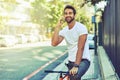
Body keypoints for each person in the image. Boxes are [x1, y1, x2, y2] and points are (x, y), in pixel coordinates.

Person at [51, 5, 90, 80]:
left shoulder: (81, 28)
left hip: (83, 61)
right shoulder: (65, 30)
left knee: (74, 76)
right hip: (71, 61)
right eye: (66, 13)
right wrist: (57, 27)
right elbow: (54, 43)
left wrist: (76, 66)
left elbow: (80, 48)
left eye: (70, 13)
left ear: (74, 15)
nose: (68, 15)